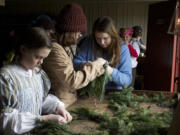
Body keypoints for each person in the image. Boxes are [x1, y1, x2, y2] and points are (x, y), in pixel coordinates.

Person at [0, 27, 72, 135]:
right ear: (23, 49)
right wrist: (44, 119)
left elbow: (39, 99)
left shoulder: (37, 73)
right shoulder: (6, 77)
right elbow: (5, 122)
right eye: (38, 57)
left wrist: (58, 107)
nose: (41, 62)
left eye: (44, 58)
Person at [43, 3, 107, 108]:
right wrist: (96, 65)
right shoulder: (54, 49)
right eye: (79, 31)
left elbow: (67, 70)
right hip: (58, 107)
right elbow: (72, 81)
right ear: (69, 30)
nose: (81, 34)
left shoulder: (64, 46)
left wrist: (84, 66)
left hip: (67, 103)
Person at [73, 16, 132, 90]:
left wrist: (110, 71)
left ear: (112, 35)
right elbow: (75, 63)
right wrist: (88, 64)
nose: (102, 42)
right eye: (98, 38)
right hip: (89, 90)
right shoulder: (89, 42)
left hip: (113, 92)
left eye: (105, 38)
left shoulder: (122, 48)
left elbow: (127, 80)